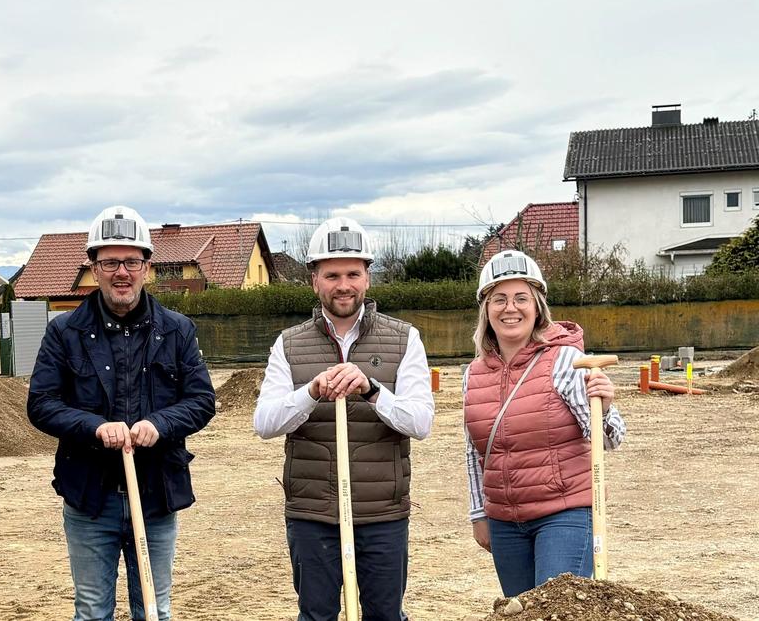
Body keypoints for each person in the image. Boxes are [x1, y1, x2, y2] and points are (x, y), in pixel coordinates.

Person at [27, 205, 216, 621]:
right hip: (90, 499)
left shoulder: (177, 329)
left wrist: (158, 424)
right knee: (93, 610)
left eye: (131, 261)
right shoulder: (64, 331)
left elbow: (202, 401)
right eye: (110, 262)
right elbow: (41, 404)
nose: (121, 272)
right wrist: (95, 428)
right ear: (94, 268)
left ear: (147, 268)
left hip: (156, 495)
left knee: (153, 609)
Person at [254, 217, 434, 621]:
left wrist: (373, 391)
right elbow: (265, 423)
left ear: (368, 278)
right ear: (314, 280)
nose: (343, 284)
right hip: (312, 513)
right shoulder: (289, 344)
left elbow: (420, 422)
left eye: (353, 273)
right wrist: (311, 393)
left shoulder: (405, 338)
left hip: (381, 513)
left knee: (385, 616)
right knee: (316, 615)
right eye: (332, 274)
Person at [463, 250, 626, 597]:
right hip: (505, 521)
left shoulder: (565, 359)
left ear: (537, 306)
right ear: (486, 310)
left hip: (564, 513)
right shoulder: (472, 375)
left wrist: (606, 408)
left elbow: (609, 441)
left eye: (521, 298)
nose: (510, 308)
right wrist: (480, 514)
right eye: (499, 299)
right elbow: (473, 452)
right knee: (520, 612)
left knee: (558, 609)